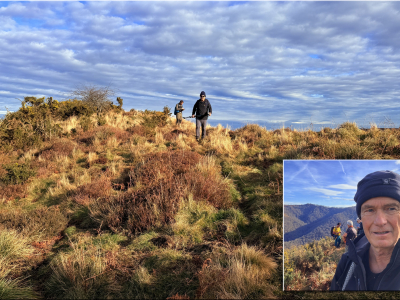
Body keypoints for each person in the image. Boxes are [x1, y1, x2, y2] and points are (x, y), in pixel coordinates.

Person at [331, 170, 400, 291]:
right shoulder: (347, 263)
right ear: (361, 218)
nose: (380, 221)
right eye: (369, 210)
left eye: (391, 208)